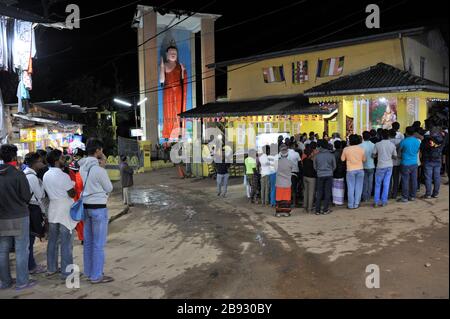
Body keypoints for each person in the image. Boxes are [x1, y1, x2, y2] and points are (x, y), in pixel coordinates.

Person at [79, 139, 114, 284]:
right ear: (98, 150)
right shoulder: (99, 170)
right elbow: (109, 188)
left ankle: (89, 272)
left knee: (88, 242)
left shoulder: (82, 168)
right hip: (98, 208)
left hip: (86, 208)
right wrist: (103, 164)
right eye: (101, 150)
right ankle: (96, 275)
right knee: (99, 244)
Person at [0, 144, 35, 290]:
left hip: (2, 217)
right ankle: (22, 282)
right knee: (21, 250)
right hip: (20, 216)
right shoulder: (18, 174)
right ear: (14, 157)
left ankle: (5, 282)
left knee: (2, 250)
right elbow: (26, 196)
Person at [43, 149, 77, 280]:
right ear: (57, 161)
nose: (65, 160)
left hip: (53, 209)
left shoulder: (46, 175)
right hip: (64, 210)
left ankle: (51, 268)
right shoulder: (63, 176)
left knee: (52, 241)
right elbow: (72, 193)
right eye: (63, 158)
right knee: (66, 242)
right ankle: (66, 271)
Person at [23, 153, 47, 275]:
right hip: (33, 209)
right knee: (30, 240)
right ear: (34, 163)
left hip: (27, 208)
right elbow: (40, 195)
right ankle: (31, 267)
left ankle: (30, 265)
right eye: (39, 161)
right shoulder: (32, 177)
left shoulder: (25, 174)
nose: (41, 163)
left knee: (29, 240)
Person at [160, 45, 188, 139]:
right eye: (171, 53)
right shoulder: (165, 65)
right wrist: (161, 67)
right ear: (166, 54)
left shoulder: (179, 66)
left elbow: (183, 79)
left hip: (178, 91)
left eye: (175, 53)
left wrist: (184, 70)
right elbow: (161, 81)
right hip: (168, 91)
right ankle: (168, 132)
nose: (173, 54)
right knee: (168, 111)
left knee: (179, 111)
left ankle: (179, 131)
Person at [372, 130, 397, 207]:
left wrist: (378, 155)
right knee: (386, 184)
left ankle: (376, 202)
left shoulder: (377, 144)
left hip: (380, 166)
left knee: (378, 184)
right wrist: (390, 156)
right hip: (389, 166)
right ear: (388, 136)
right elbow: (395, 157)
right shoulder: (392, 145)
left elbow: (373, 155)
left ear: (381, 136)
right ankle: (384, 201)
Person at [341, 134, 366, 209]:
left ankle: (350, 205)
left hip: (350, 170)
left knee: (350, 188)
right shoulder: (361, 149)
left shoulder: (346, 149)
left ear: (350, 141)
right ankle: (356, 204)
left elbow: (342, 159)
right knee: (359, 187)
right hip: (360, 169)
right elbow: (364, 160)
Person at [398, 127, 421, 203]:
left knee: (405, 180)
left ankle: (405, 197)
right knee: (414, 180)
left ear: (406, 133)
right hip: (414, 163)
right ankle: (412, 196)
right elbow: (418, 151)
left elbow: (399, 152)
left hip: (405, 163)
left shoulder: (404, 141)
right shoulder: (418, 141)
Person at [313, 140, 336, 215]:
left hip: (320, 175)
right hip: (329, 175)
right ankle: (325, 209)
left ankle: (317, 210)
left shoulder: (317, 156)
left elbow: (315, 167)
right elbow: (334, 166)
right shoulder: (331, 155)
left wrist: (319, 171)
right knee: (327, 192)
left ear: (320, 147)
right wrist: (330, 171)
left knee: (319, 192)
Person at [420, 126, 444, 199]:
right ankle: (436, 193)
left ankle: (428, 194)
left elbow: (422, 148)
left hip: (428, 160)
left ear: (431, 132)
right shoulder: (441, 139)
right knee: (437, 177)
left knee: (428, 178)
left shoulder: (427, 139)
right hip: (438, 160)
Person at [275, 144, 294, 216]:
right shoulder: (290, 162)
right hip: (287, 183)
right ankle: (286, 212)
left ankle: (278, 212)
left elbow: (275, 169)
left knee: (279, 198)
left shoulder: (277, 162)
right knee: (286, 199)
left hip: (279, 183)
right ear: (287, 153)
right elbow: (291, 170)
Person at [360, 131, 376, 202]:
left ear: (363, 137)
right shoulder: (373, 145)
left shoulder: (360, 145)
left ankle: (364, 197)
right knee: (370, 182)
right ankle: (369, 196)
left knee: (364, 182)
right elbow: (374, 155)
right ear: (369, 137)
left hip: (363, 166)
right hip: (371, 165)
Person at [388, 129, 402, 199]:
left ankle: (388, 193)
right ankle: (395, 194)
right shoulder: (400, 141)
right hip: (398, 162)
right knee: (396, 179)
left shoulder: (388, 142)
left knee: (389, 179)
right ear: (395, 135)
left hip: (389, 163)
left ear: (389, 134)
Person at [302, 147, 317, 213]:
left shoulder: (304, 160)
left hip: (305, 177)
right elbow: (315, 169)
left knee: (305, 192)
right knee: (311, 193)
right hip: (311, 178)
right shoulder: (312, 161)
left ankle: (305, 206)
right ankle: (310, 208)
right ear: (311, 153)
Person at [332, 141, 346, 206]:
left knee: (335, 187)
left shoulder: (333, 153)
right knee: (341, 187)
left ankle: (335, 201)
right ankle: (340, 201)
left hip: (335, 172)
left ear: (334, 146)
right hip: (342, 171)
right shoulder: (343, 152)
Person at [287, 142, 301, 207]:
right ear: (293, 146)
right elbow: (299, 163)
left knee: (288, 188)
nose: (296, 148)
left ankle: (288, 202)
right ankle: (294, 203)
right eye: (295, 146)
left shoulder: (285, 153)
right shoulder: (296, 154)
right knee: (294, 189)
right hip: (294, 172)